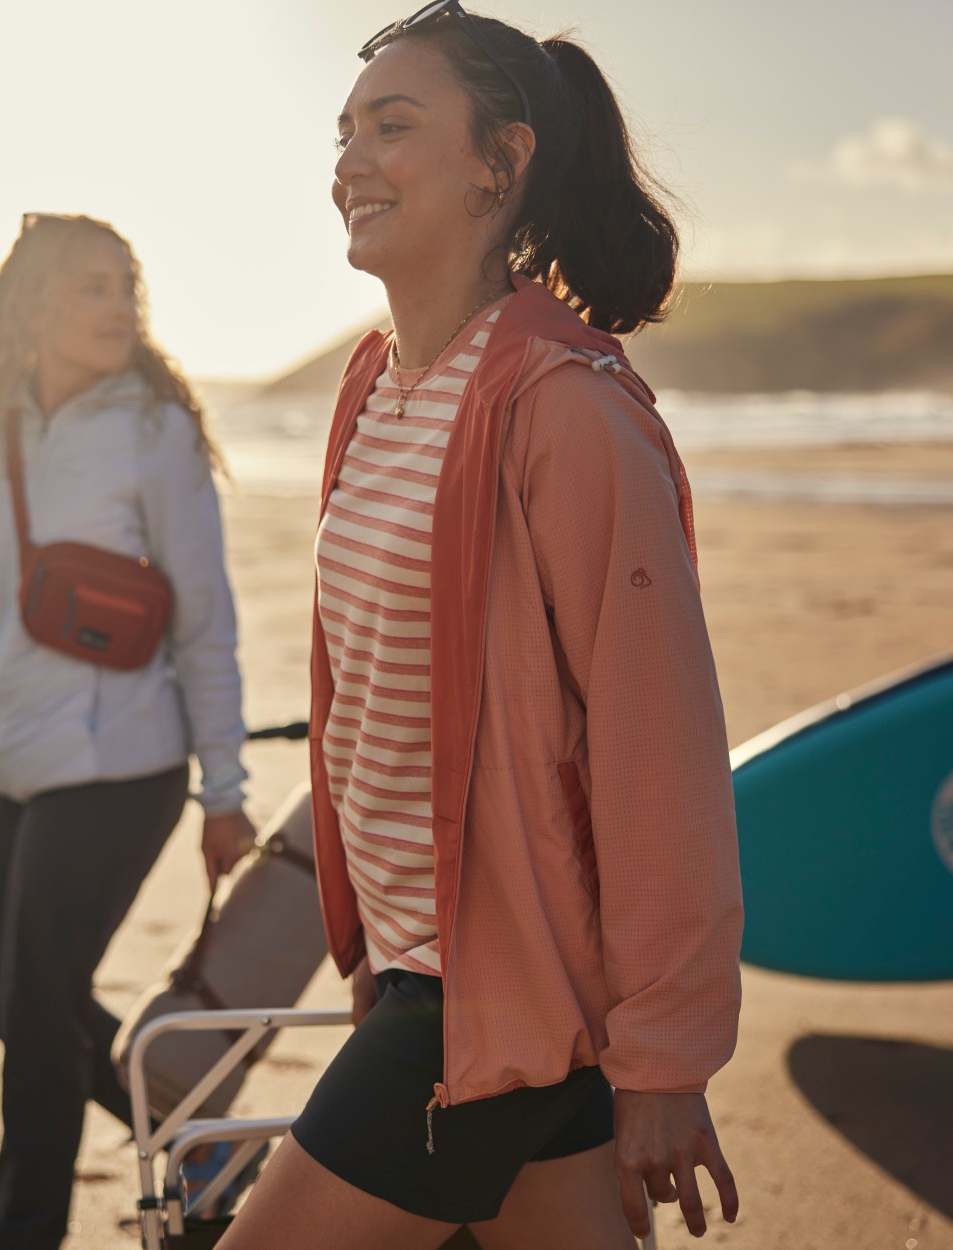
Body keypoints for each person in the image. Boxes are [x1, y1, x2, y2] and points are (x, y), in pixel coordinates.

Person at [220, 6, 743, 1248]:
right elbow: (366, 700)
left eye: (393, 127)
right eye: (345, 131)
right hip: (421, 969)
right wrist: (366, 939)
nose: (350, 161)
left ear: (500, 162)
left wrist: (666, 1055)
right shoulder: (374, 387)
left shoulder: (569, 411)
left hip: (489, 996)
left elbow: (657, 745)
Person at [0, 212, 256, 1250]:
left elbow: (204, 616)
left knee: (39, 1008)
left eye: (126, 284)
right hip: (12, 766)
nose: (118, 304)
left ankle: (20, 1231)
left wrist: (224, 789)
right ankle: (204, 1133)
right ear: (32, 303)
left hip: (121, 764)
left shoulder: (153, 431)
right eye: (91, 285)